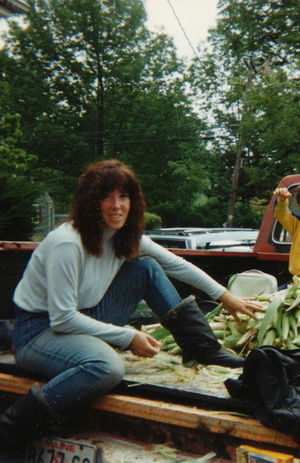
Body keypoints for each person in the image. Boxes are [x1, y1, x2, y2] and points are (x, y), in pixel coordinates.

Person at [0, 160, 261, 455]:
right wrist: (127, 337)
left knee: (146, 268)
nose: (116, 206)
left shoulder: (125, 236)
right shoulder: (67, 243)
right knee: (107, 367)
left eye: (123, 197)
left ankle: (203, 349)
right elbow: (63, 319)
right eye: (106, 197)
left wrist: (225, 295)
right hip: (40, 332)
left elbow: (176, 264)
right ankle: (10, 429)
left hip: (86, 317)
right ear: (90, 202)